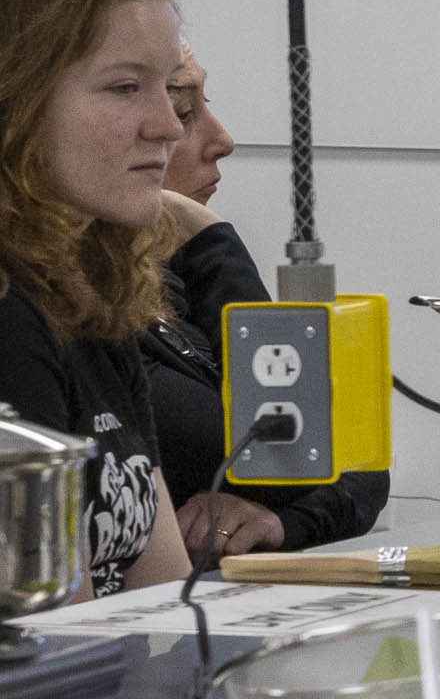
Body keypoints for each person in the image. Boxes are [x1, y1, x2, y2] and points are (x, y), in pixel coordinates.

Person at [0, 0, 194, 595]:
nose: (168, 125)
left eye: (168, 89)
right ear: (14, 102)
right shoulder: (9, 317)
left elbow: (164, 593)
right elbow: (59, 645)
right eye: (126, 87)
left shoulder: (97, 290)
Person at [140, 45, 386, 561]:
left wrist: (281, 525)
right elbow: (287, 458)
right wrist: (206, 236)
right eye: (186, 114)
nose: (222, 141)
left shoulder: (173, 275)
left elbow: (360, 465)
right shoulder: (69, 312)